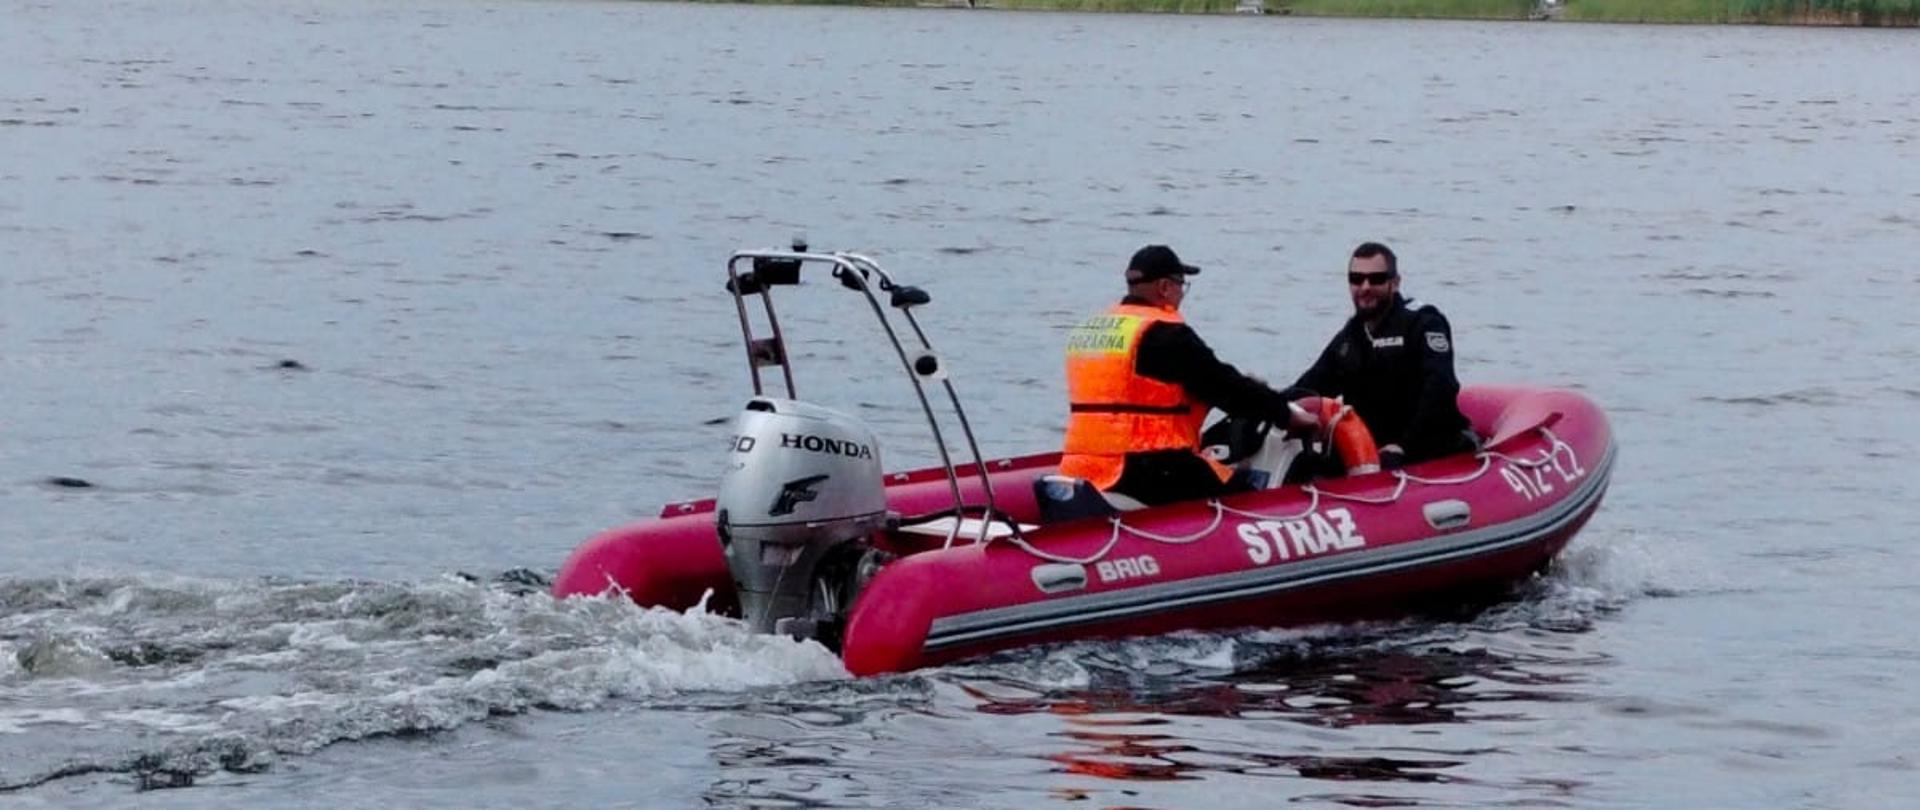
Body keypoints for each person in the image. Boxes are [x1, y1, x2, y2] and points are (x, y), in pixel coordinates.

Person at [1060, 244, 1318, 506]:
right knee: (1246, 489)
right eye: (1181, 285)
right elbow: (1227, 389)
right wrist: (1286, 415)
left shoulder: (1093, 329)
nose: (1182, 293)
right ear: (1164, 287)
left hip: (1083, 466)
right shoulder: (1165, 335)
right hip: (1145, 467)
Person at [1292, 242, 1475, 469]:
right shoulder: (1349, 339)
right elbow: (1312, 385)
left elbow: (1441, 386)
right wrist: (1272, 406)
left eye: (1376, 279)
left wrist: (1403, 445)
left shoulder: (1423, 323)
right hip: (1369, 452)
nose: (1365, 287)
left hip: (1424, 449)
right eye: (1356, 279)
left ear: (1395, 283)